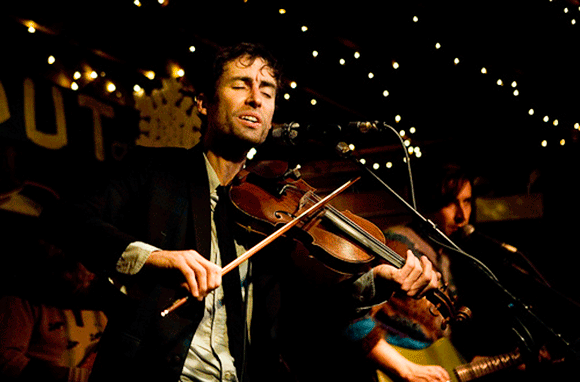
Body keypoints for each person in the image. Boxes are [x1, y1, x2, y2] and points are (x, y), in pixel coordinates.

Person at [40, 42, 440, 382]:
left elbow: (309, 309)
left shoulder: (271, 206)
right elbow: (66, 218)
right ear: (203, 103)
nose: (256, 99)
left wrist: (376, 282)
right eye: (240, 85)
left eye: (267, 91)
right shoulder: (156, 170)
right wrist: (155, 258)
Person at [0, 239, 108, 382]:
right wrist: (75, 377)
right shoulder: (22, 303)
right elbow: (7, 361)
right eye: (87, 263)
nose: (93, 273)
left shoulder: (97, 305)